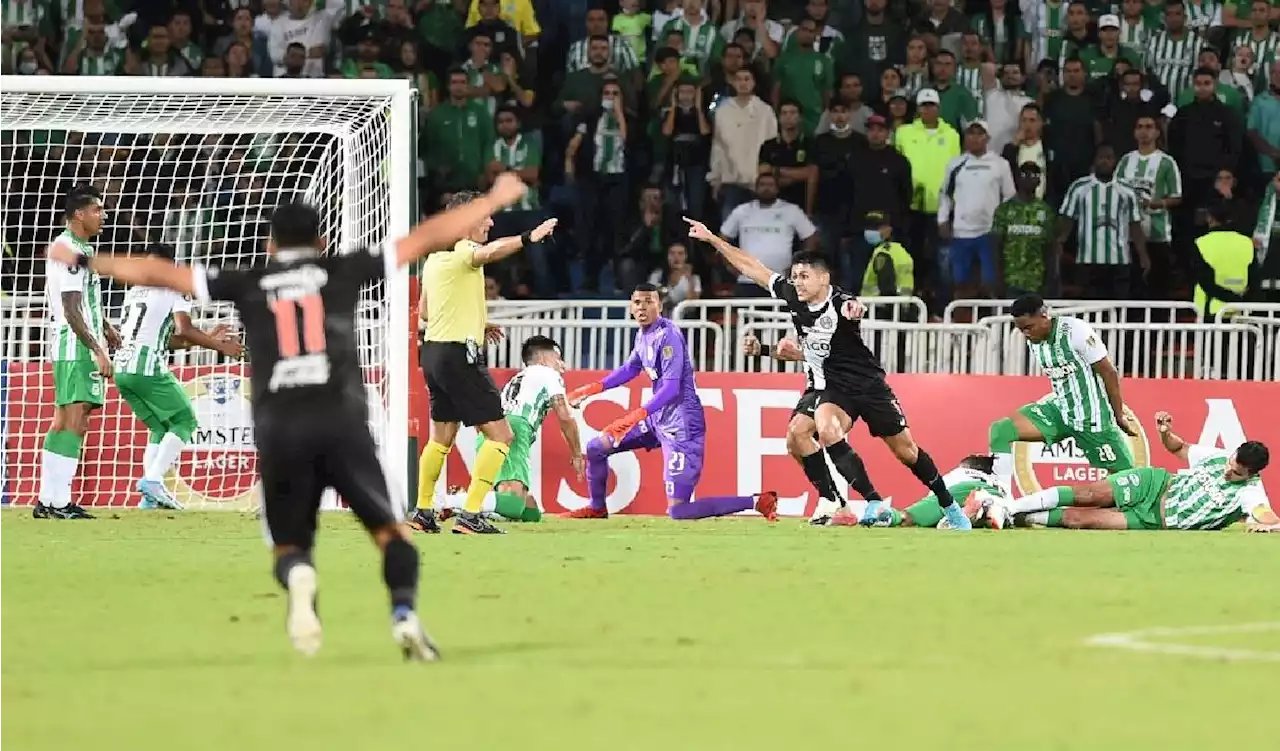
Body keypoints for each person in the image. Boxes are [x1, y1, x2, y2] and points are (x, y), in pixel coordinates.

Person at [46, 173, 533, 660]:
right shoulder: (341, 269)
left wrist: (87, 260)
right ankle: (403, 613)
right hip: (341, 421)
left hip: (280, 428)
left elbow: (161, 275)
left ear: (269, 243)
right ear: (322, 240)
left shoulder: (249, 280)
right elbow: (423, 238)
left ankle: (299, 576)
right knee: (391, 534)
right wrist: (491, 200)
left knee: (289, 545)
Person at [687, 218, 971, 530]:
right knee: (820, 428)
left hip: (870, 387)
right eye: (795, 276)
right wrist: (713, 239)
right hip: (833, 388)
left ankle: (949, 505)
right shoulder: (793, 295)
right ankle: (866, 500)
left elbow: (853, 307)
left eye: (805, 276)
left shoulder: (841, 303)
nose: (797, 282)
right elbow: (751, 266)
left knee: (907, 452)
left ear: (824, 279)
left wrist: (854, 310)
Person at [563, 284, 779, 521]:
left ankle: (757, 501)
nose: (642, 307)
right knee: (596, 447)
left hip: (682, 425)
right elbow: (630, 368)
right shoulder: (643, 335)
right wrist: (592, 389)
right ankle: (597, 507)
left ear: (660, 305)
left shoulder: (669, 337)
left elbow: (671, 388)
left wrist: (634, 416)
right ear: (630, 308)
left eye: (648, 301)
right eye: (637, 302)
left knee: (679, 511)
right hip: (657, 418)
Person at [412, 195, 558, 535]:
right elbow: (488, 253)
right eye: (486, 219)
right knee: (501, 435)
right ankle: (472, 514)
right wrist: (528, 238)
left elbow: (425, 314)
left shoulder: (433, 260)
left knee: (441, 438)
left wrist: (477, 321)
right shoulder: (465, 251)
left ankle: (422, 512)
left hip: (433, 353)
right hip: (459, 356)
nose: (490, 225)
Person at [114, 242, 244, 510]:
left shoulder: (134, 292)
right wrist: (221, 346)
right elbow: (184, 329)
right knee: (185, 419)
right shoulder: (172, 287)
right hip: (147, 366)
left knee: (160, 428)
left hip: (123, 369)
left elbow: (168, 339)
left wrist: (206, 338)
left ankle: (149, 498)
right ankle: (152, 481)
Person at [988, 411, 1277, 531]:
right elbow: (1180, 449)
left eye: (1236, 472)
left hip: (1155, 520)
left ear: (1250, 474)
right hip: (1153, 483)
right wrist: (1166, 433)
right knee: (1088, 493)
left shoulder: (1250, 492)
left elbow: (1268, 517)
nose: (1228, 472)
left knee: (1079, 520)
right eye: (1230, 464)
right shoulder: (1220, 457)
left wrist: (1268, 525)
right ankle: (1006, 506)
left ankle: (1009, 515)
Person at [988, 294, 1139, 496]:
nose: (1025, 333)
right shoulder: (1033, 339)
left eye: (1029, 327)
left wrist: (1118, 414)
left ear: (1044, 315)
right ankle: (1001, 499)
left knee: (1128, 481)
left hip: (1091, 418)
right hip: (1059, 411)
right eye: (1020, 329)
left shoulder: (1075, 331)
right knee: (1001, 431)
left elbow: (1108, 372)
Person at [36, 185, 123, 521]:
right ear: (79, 214)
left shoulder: (74, 247)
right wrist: (98, 349)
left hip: (70, 343)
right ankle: (58, 502)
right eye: (98, 209)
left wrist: (106, 325)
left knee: (66, 420)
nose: (103, 215)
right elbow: (71, 308)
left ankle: (49, 500)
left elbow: (80, 301)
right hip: (75, 346)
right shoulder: (70, 249)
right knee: (75, 420)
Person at [1056, 143, 1150, 300]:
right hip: (1088, 261)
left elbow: (1134, 225)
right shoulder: (1079, 187)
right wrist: (1059, 244)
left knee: (1117, 310)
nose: (1105, 161)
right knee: (1089, 310)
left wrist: (1143, 255)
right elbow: (1067, 220)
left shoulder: (1127, 191)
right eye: (1101, 157)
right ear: (1094, 161)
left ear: (1115, 161)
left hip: (1119, 261)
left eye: (1109, 158)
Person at [855, 454, 1010, 529]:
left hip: (957, 490)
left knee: (907, 517)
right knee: (1003, 511)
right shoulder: (999, 483)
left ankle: (886, 516)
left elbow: (938, 497)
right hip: (998, 496)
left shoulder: (959, 473)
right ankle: (989, 509)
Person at [991, 162, 1054, 296]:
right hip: (1010, 280)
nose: (1030, 178)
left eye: (1035, 175)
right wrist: (998, 280)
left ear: (1039, 181)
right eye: (1025, 174)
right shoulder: (1004, 210)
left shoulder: (1045, 210)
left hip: (1036, 281)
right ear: (1017, 179)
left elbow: (1050, 249)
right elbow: (997, 246)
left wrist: (1050, 280)